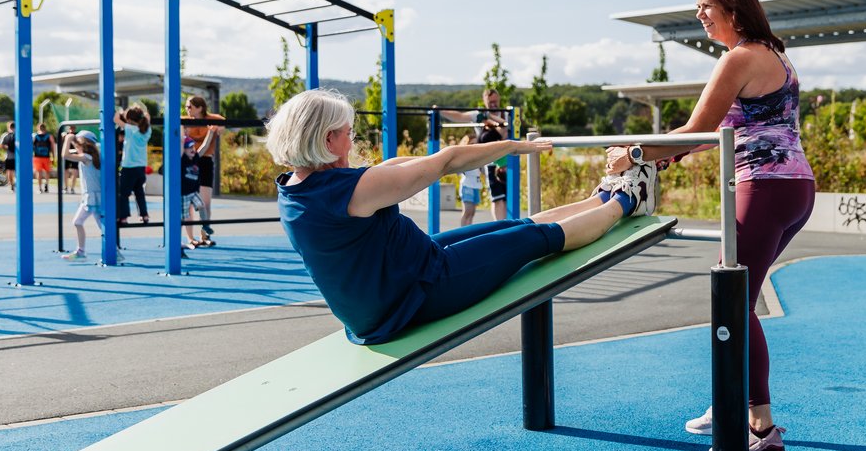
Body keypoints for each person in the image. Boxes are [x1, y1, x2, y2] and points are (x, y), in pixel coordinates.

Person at [604, 0, 815, 451]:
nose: (699, 15)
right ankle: (734, 399)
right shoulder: (774, 54)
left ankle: (760, 428)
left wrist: (633, 154)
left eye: (705, 6)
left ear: (732, 8)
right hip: (795, 187)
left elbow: (698, 129)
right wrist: (659, 156)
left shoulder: (739, 58)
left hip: (765, 187)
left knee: (732, 301)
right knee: (738, 298)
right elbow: (712, 135)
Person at [268, 88, 657, 346]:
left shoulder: (295, 188)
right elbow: (447, 161)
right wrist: (515, 146)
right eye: (348, 133)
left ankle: (600, 197)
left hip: (400, 278)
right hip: (411, 297)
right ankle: (628, 199)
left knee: (514, 225)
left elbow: (400, 164)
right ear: (327, 139)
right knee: (533, 239)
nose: (352, 140)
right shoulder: (350, 191)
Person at [442, 87, 512, 219]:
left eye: (495, 101)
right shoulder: (478, 114)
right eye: (490, 102)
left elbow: (505, 131)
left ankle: (510, 224)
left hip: (506, 161)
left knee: (509, 197)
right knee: (497, 198)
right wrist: (439, 111)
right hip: (491, 162)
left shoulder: (506, 114)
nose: (493, 104)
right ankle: (500, 225)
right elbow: (459, 116)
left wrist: (490, 118)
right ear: (484, 101)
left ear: (499, 99)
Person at [60, 131, 116, 262]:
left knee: (102, 226)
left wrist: (68, 139)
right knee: (79, 222)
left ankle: (113, 252)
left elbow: (65, 155)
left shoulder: (86, 157)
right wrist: (73, 139)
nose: (75, 146)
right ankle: (81, 252)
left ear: (84, 144)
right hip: (91, 196)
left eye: (77, 143)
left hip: (93, 198)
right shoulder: (94, 156)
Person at [185, 95, 225, 243]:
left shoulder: (211, 119)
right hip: (189, 162)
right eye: (186, 107)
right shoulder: (185, 121)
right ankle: (190, 238)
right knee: (188, 203)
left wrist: (218, 128)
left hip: (205, 161)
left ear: (200, 108)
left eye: (190, 106)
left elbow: (222, 123)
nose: (187, 109)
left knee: (206, 202)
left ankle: (205, 235)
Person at [112, 105, 151, 225]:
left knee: (123, 193)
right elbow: (147, 116)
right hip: (141, 167)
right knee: (139, 192)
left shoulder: (130, 129)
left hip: (129, 167)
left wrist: (119, 111)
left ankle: (123, 217)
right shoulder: (147, 130)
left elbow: (115, 119)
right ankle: (144, 215)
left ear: (129, 119)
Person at [179, 138, 207, 248]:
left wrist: (210, 133)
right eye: (189, 147)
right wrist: (182, 136)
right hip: (184, 193)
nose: (192, 149)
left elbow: (204, 147)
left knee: (202, 205)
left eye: (193, 147)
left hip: (193, 192)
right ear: (184, 150)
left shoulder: (195, 158)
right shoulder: (183, 159)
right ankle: (177, 239)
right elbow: (181, 146)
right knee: (183, 217)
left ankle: (205, 225)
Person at [456, 135, 483, 227]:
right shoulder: (464, 157)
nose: (474, 145)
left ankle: (468, 230)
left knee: (472, 213)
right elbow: (457, 171)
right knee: (467, 211)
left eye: (476, 143)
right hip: (467, 186)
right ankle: (463, 231)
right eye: (471, 143)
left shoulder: (479, 157)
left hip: (476, 186)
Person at [31, 123, 55, 193]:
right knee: (47, 172)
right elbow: (53, 147)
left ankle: (39, 188)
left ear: (38, 128)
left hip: (37, 157)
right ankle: (46, 184)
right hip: (46, 157)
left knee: (39, 172)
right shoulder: (49, 136)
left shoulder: (35, 136)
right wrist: (53, 156)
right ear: (45, 128)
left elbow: (31, 147)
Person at [0, 122, 17, 191]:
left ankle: (11, 185)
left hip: (9, 156)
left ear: (9, 127)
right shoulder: (19, 134)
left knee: (9, 171)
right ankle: (16, 183)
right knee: (17, 171)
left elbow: (1, 145)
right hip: (18, 156)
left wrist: (7, 147)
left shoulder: (5, 135)